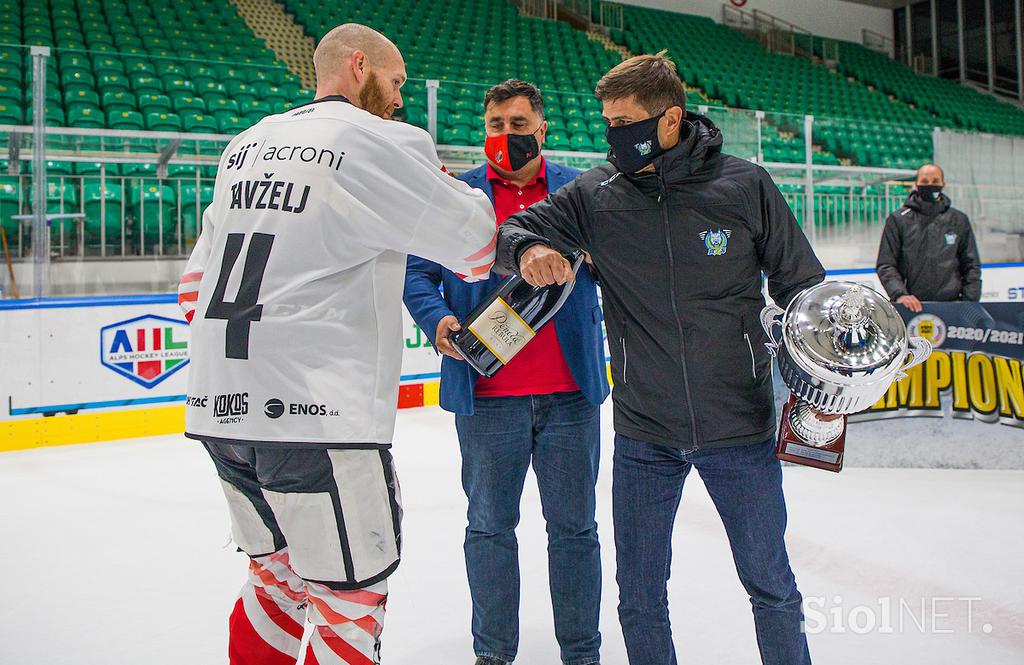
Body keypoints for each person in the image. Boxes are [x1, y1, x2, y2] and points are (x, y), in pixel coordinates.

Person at [177, 24, 497, 665]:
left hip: (219, 406)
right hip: (320, 416)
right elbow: (475, 246)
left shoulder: (247, 143)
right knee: (349, 600)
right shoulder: (377, 140)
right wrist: (436, 180)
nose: (401, 99)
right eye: (397, 81)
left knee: (275, 580)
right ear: (359, 66)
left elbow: (192, 290)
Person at [493, 52, 825, 665]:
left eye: (624, 122)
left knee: (770, 586)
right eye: (607, 121)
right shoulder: (596, 193)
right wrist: (530, 250)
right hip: (645, 434)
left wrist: (816, 375)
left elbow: (802, 286)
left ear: (669, 120)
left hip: (739, 428)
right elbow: (511, 234)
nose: (611, 135)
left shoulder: (744, 185)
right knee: (640, 597)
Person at [403, 79, 609, 665]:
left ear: (541, 129)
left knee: (575, 530)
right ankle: (493, 655)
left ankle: (582, 653)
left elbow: (618, 270)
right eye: (496, 125)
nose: (506, 136)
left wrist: (593, 262)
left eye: (518, 125)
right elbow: (417, 273)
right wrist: (439, 320)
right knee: (490, 529)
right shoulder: (457, 194)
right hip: (488, 394)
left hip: (571, 395)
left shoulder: (582, 190)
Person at [876, 163, 981, 311]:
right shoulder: (898, 219)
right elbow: (886, 264)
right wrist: (900, 294)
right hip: (910, 308)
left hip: (953, 307)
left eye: (935, 181)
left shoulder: (958, 220)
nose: (930, 185)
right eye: (925, 182)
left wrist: (968, 301)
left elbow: (971, 265)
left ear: (943, 184)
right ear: (916, 184)